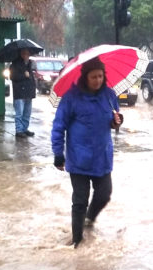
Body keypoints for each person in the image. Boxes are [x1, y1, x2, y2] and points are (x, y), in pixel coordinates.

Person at [51, 56, 123, 248]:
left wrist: (117, 121)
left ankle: (89, 219)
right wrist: (58, 153)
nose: (98, 80)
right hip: (79, 159)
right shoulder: (71, 98)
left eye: (100, 76)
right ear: (85, 77)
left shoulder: (109, 95)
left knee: (104, 194)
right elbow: (59, 126)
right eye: (93, 77)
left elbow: (113, 119)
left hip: (102, 158)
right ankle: (77, 242)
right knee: (80, 201)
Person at [10, 48, 37, 137]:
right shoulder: (15, 64)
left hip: (28, 92)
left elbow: (31, 77)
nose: (26, 56)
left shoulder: (29, 64)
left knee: (27, 112)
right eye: (24, 54)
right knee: (19, 113)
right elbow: (13, 77)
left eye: (27, 54)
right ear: (20, 54)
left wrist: (33, 88)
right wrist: (24, 76)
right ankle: (19, 130)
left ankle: (24, 129)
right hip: (19, 92)